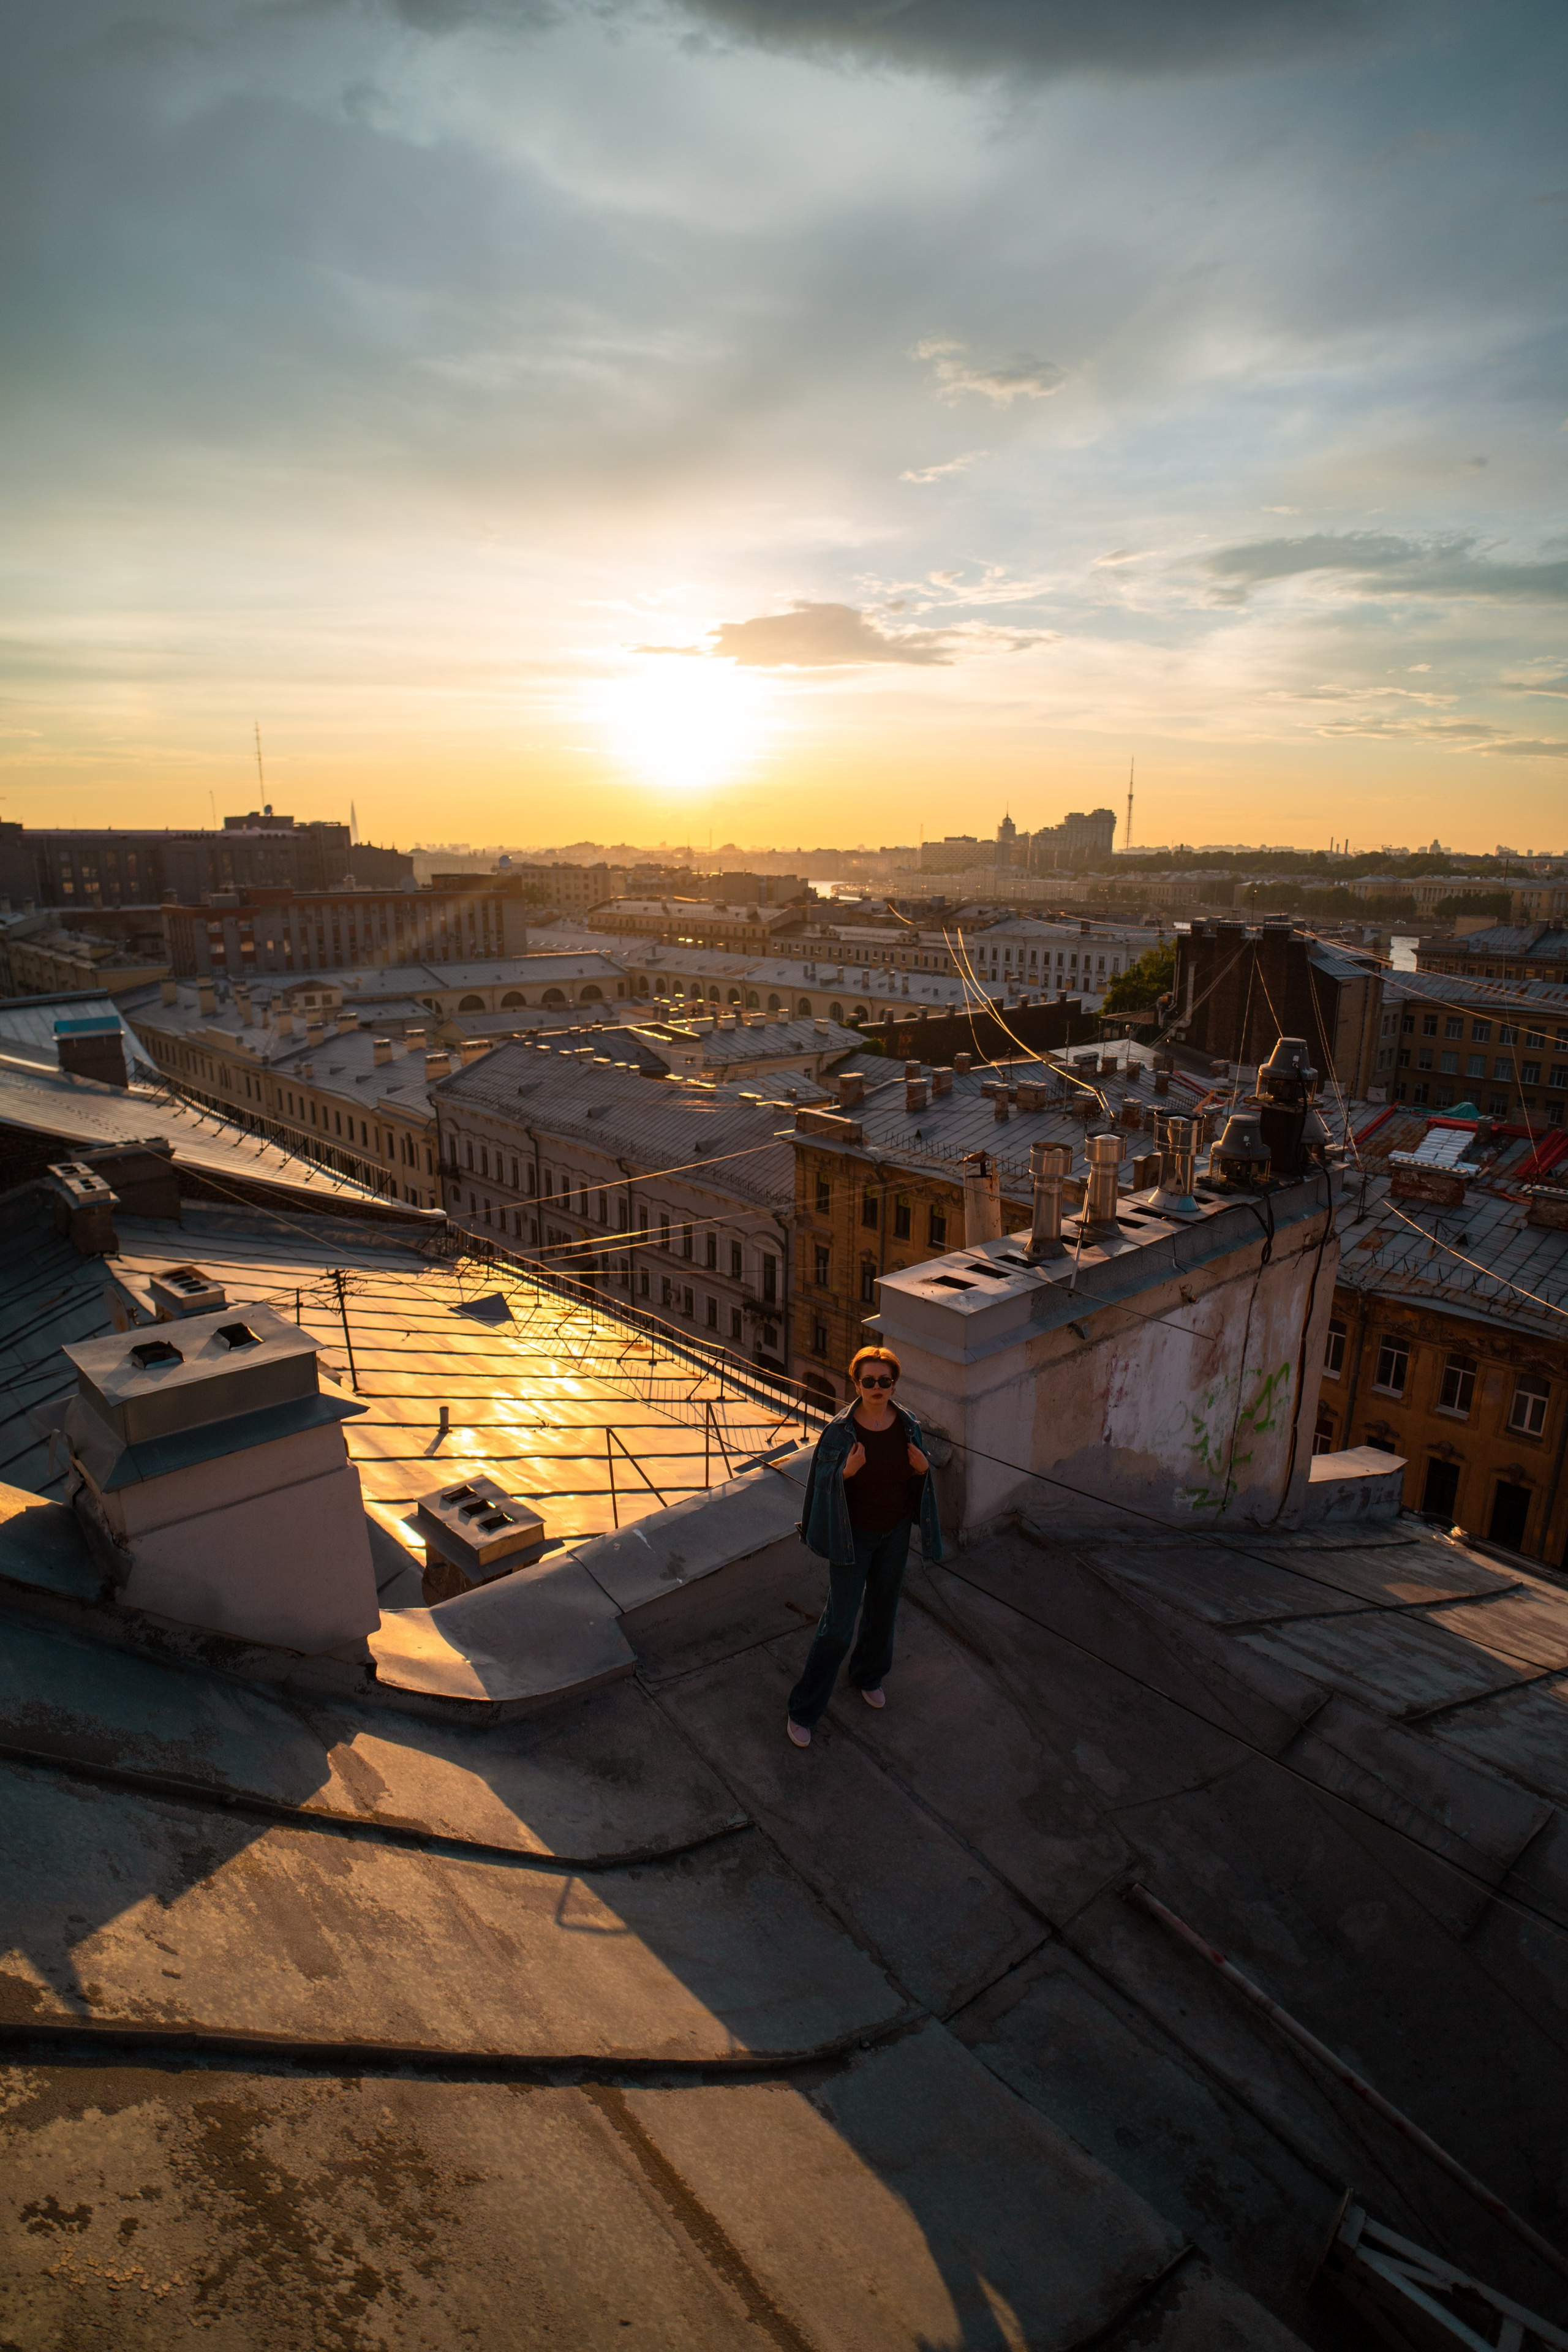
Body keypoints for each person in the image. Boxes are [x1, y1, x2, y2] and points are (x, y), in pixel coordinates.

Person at [786, 1345, 944, 1749]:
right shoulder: (839, 1432)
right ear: (856, 1384)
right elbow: (819, 1488)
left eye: (884, 1380)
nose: (877, 1387)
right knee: (838, 1625)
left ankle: (868, 1675)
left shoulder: (907, 1425)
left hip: (895, 1533)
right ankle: (803, 1709)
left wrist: (924, 1470)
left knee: (883, 1610)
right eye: (869, 1380)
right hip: (852, 1537)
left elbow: (915, 1479)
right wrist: (845, 1472)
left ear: (894, 1384)